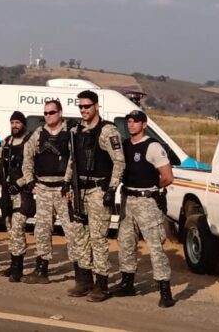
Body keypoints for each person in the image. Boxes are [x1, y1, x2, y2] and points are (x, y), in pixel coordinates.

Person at [110, 110, 176, 308]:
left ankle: (165, 290)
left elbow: (167, 176)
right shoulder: (124, 146)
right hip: (127, 199)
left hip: (146, 201)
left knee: (155, 246)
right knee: (126, 242)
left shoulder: (152, 146)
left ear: (144, 125)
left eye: (136, 122)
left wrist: (151, 188)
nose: (131, 125)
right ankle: (127, 283)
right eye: (129, 121)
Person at [69, 89, 126, 301]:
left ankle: (101, 284)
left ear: (96, 106)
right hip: (79, 190)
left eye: (87, 106)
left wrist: (111, 189)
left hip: (98, 191)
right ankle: (84, 281)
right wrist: (68, 184)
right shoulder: (77, 131)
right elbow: (72, 161)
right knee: (80, 237)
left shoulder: (107, 131)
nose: (83, 110)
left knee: (98, 238)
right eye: (81, 106)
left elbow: (119, 161)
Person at [19, 99, 81, 285]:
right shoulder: (38, 134)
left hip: (63, 189)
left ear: (60, 113)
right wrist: (30, 182)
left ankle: (81, 273)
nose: (48, 116)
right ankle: (41, 271)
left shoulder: (70, 133)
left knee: (72, 231)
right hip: (44, 188)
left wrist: (68, 183)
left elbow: (73, 160)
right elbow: (27, 158)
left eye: (51, 112)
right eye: (45, 113)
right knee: (42, 230)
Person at [0, 111, 33, 282]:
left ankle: (18, 269)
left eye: (18, 122)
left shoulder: (29, 143)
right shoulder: (4, 143)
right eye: (12, 122)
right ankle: (13, 264)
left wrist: (20, 183)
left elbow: (33, 169)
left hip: (22, 193)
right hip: (6, 193)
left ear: (23, 124)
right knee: (10, 229)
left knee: (17, 230)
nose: (15, 125)